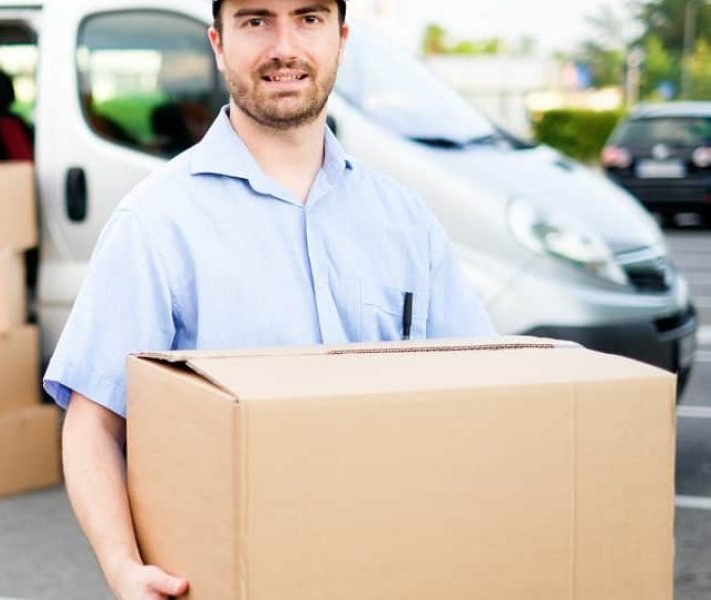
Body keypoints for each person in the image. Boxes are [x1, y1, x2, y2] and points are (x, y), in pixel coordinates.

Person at [43, 1, 496, 598]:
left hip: (392, 568)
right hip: (227, 578)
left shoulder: (406, 221)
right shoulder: (156, 223)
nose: (284, 46)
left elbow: (483, 392)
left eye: (307, 19)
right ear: (218, 43)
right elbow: (94, 423)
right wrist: (122, 567)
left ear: (341, 39)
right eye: (256, 20)